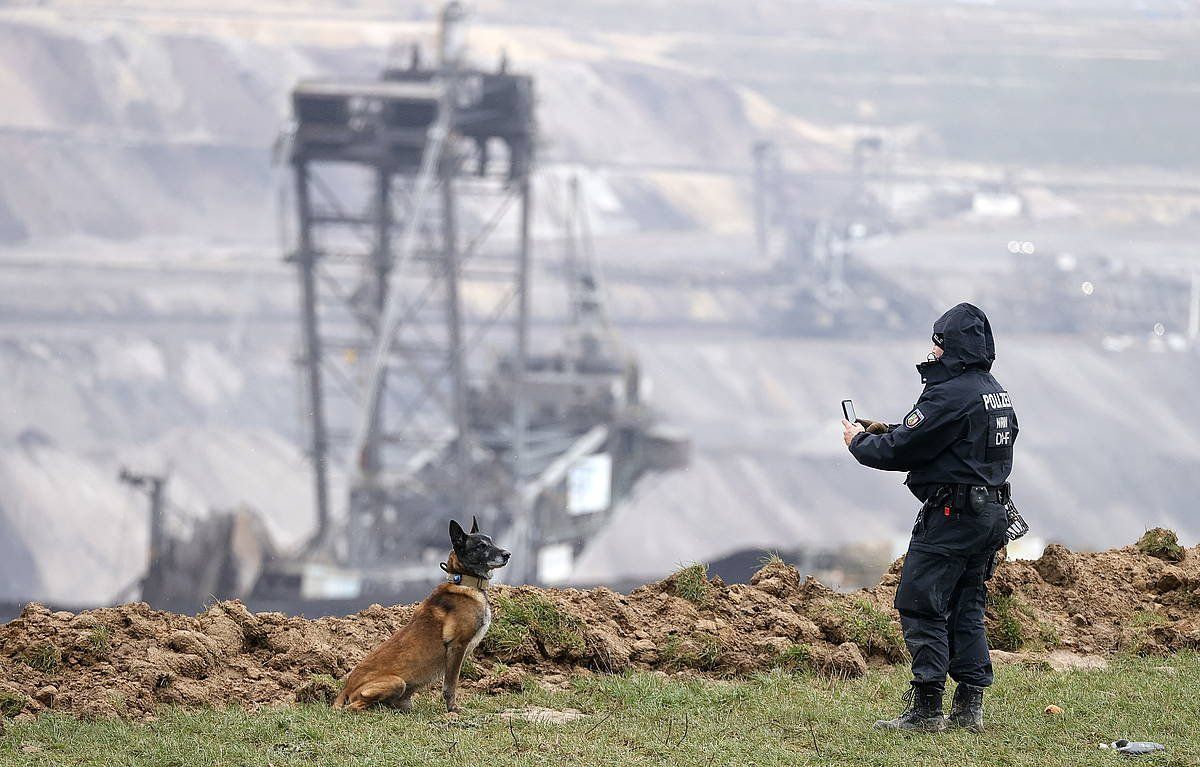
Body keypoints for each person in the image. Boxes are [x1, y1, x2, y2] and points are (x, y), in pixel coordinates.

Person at [841, 303, 1017, 733]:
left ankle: (925, 709)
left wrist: (859, 442)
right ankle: (969, 708)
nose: (932, 352)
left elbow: (902, 450)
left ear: (953, 347)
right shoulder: (994, 390)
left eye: (938, 344)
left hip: (952, 516)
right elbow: (950, 442)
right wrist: (890, 428)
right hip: (988, 514)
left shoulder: (949, 393)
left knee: (920, 602)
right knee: (966, 605)